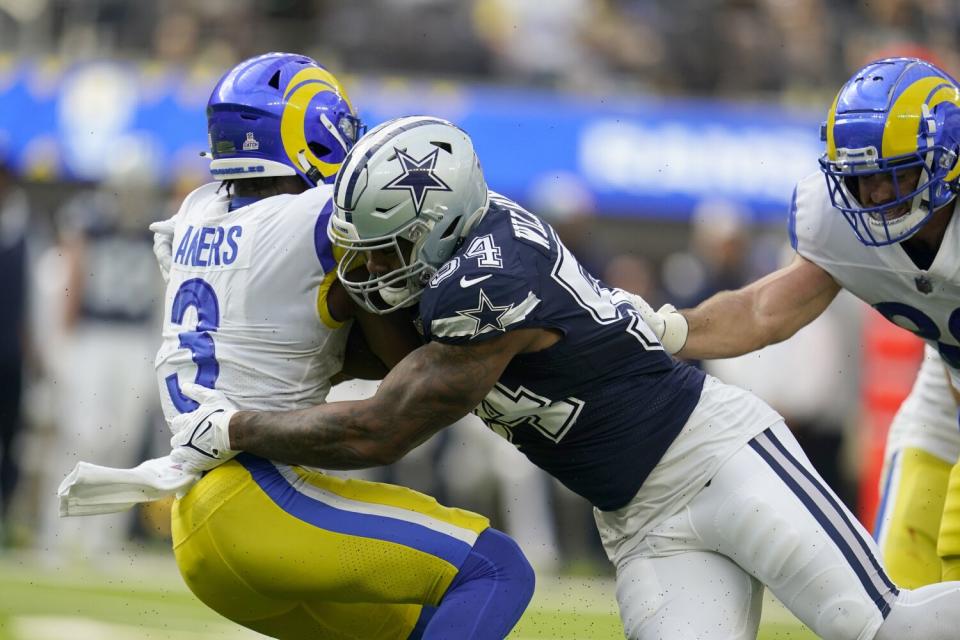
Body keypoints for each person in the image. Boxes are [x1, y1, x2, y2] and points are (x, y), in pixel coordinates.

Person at [169, 114, 960, 640]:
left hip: (718, 461)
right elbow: (366, 350)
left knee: (882, 629)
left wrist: (235, 425)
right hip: (639, 522)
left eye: (387, 250)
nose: (369, 271)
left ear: (441, 226)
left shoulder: (486, 279)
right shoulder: (454, 266)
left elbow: (385, 424)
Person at [67, 53, 534, 640]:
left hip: (199, 525)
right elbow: (395, 355)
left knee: (418, 628)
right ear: (313, 132)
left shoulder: (196, 212)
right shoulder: (317, 219)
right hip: (261, 501)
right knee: (496, 570)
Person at [638, 56, 960, 590]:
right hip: (945, 384)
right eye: (864, 177)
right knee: (902, 581)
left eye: (896, 172)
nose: (878, 195)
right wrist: (668, 330)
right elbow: (763, 311)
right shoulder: (836, 222)